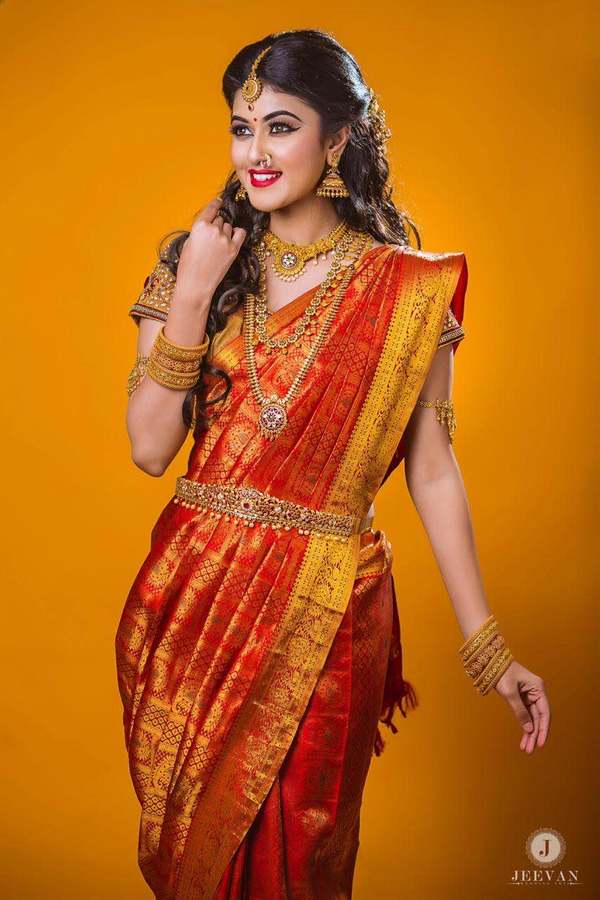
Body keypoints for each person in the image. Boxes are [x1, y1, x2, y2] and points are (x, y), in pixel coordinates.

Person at [115, 28, 551, 900]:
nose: (256, 152)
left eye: (281, 127)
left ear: (339, 138)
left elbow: (432, 468)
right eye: (242, 128)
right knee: (196, 862)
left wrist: (487, 646)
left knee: (298, 859)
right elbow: (150, 448)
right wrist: (194, 290)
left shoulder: (410, 291)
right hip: (192, 597)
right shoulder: (195, 266)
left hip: (329, 602)